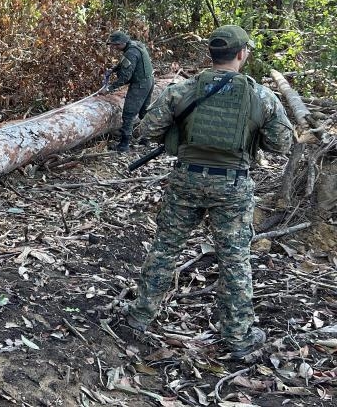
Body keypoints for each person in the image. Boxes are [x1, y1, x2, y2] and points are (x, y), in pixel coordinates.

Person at [125, 25, 293, 360]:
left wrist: (181, 130)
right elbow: (281, 144)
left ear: (211, 54)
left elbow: (146, 130)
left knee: (165, 248)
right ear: (242, 54)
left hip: (187, 179)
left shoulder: (183, 90)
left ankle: (140, 316)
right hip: (232, 185)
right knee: (234, 260)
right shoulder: (260, 95)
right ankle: (239, 336)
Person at [104, 29, 154, 152]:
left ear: (121, 43)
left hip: (140, 85)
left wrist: (109, 88)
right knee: (143, 112)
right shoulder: (136, 44)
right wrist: (114, 69)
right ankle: (147, 138)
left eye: (115, 45)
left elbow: (126, 77)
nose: (114, 48)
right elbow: (127, 64)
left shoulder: (130, 53)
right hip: (149, 80)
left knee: (128, 114)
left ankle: (124, 144)